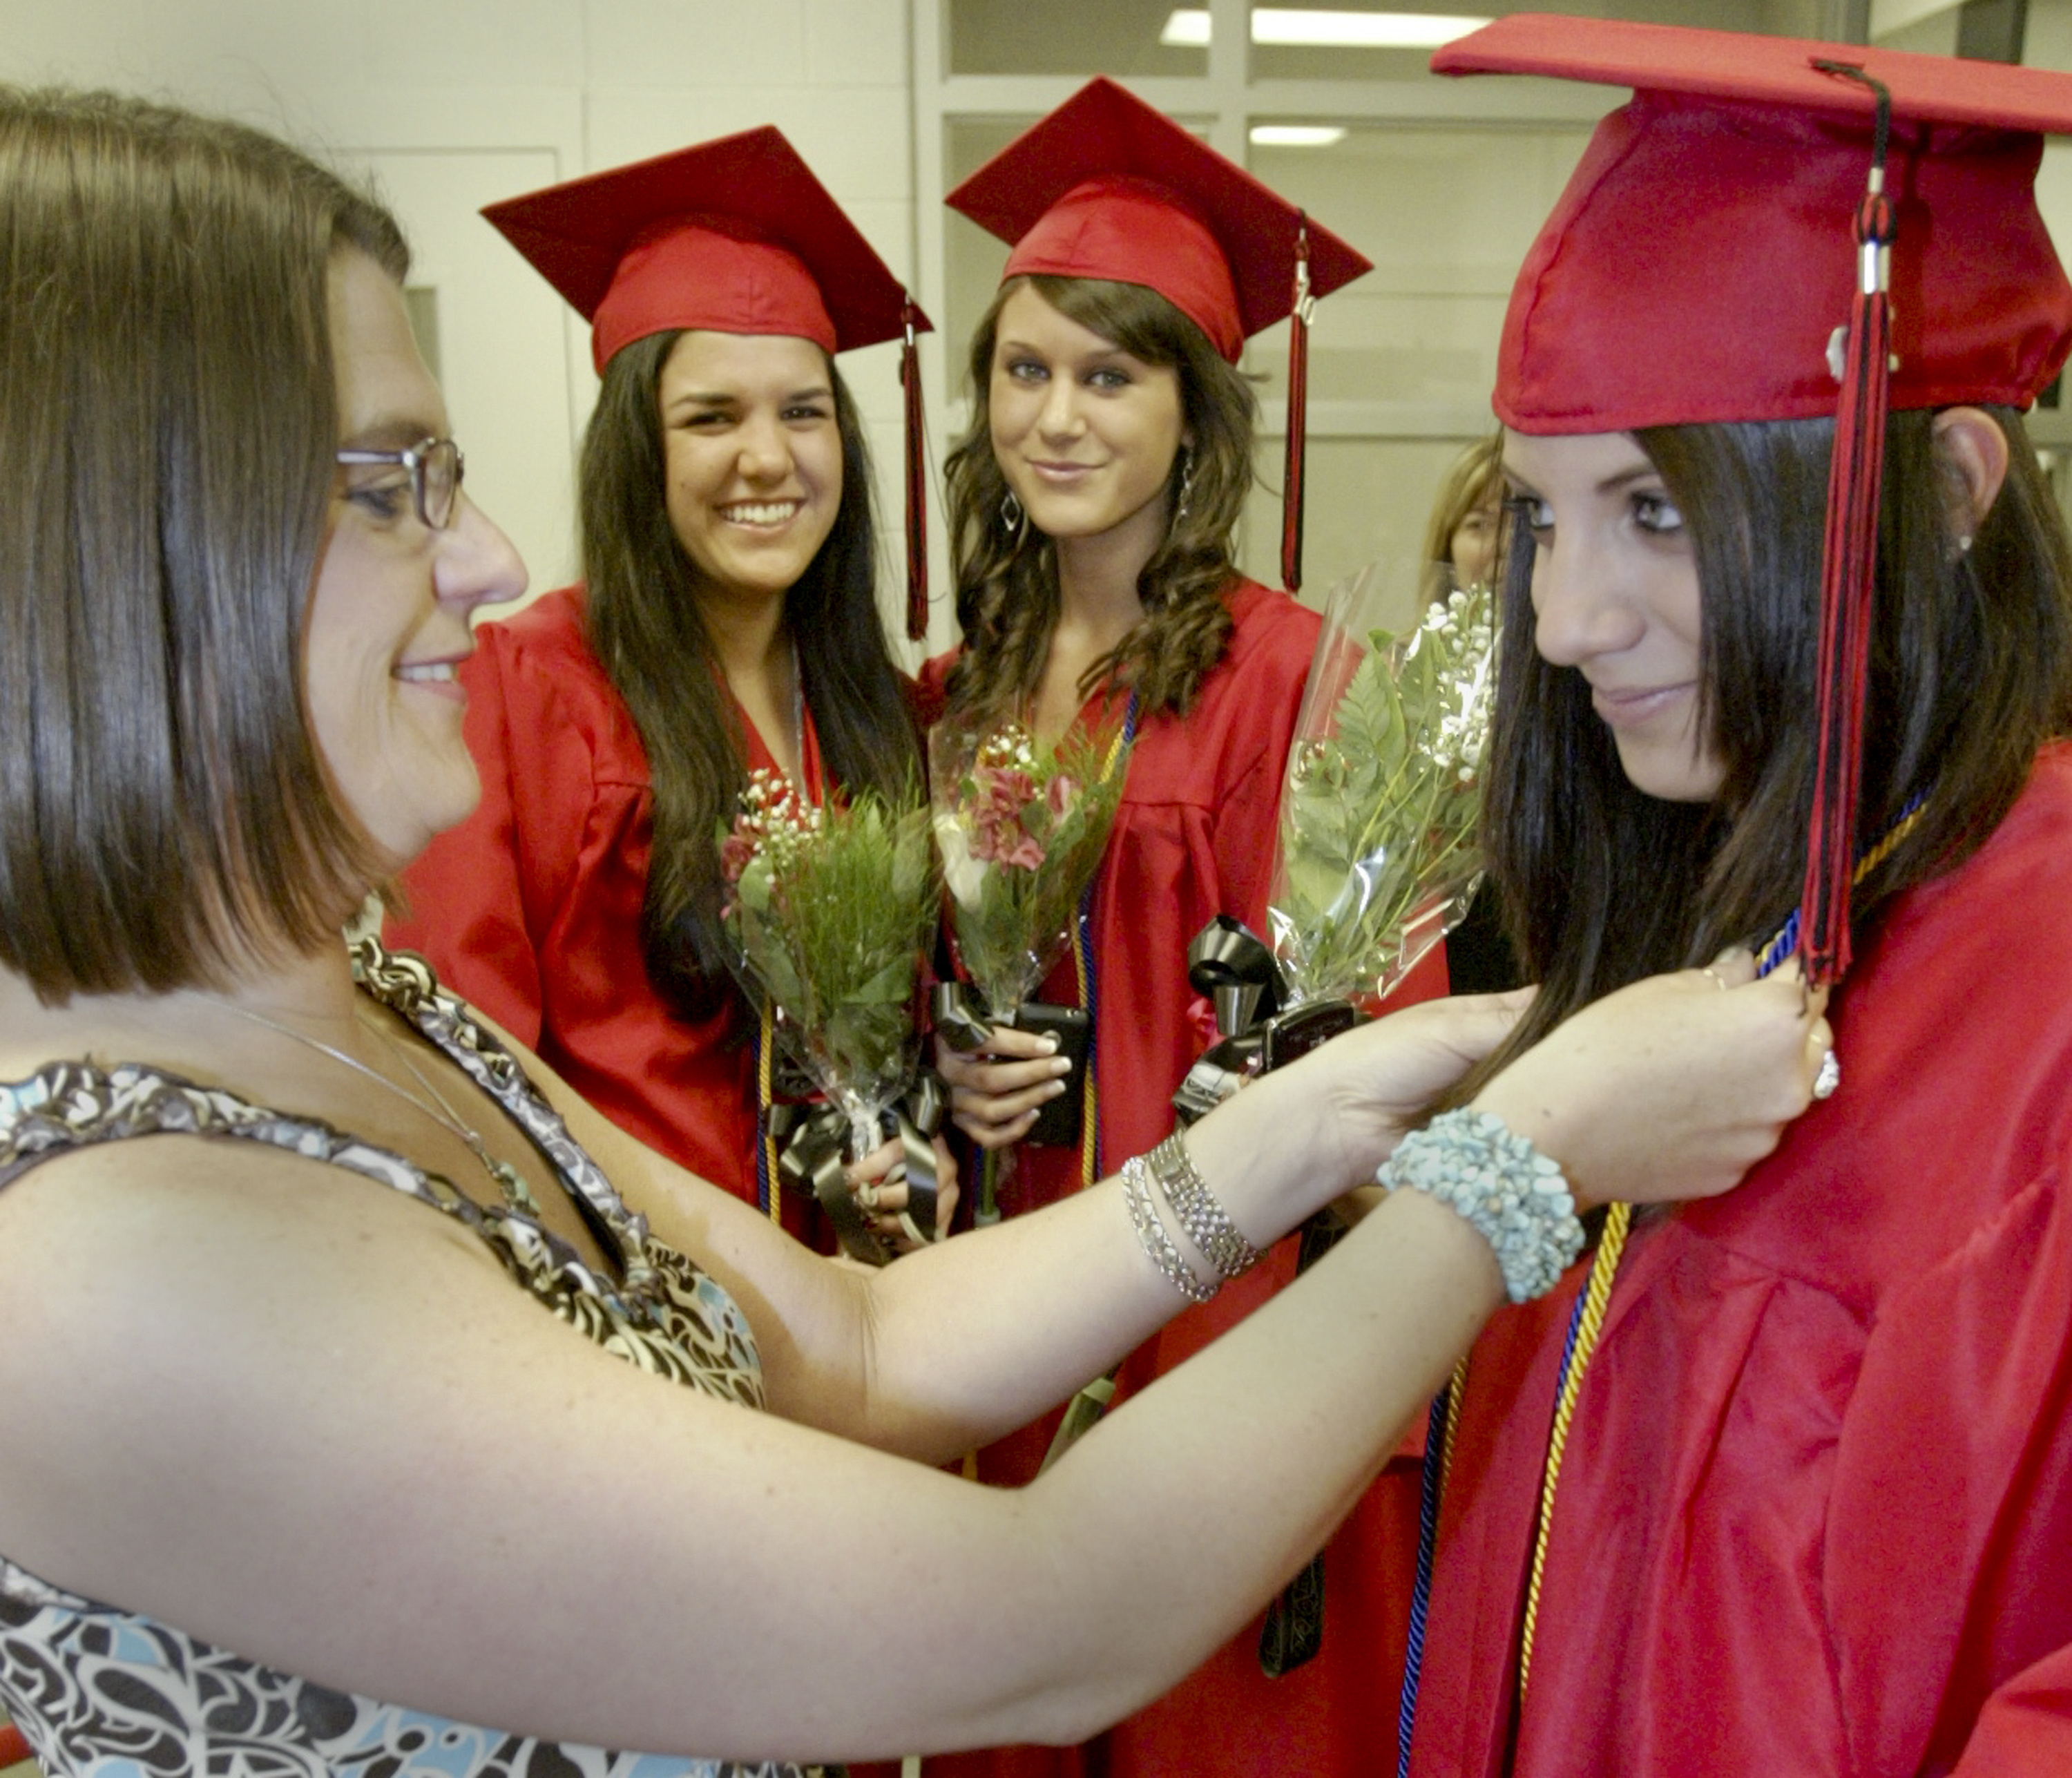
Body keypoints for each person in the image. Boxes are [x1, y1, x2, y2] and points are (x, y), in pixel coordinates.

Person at [0, 82, 1829, 1778]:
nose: (484, 553)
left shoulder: (368, 1009)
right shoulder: (122, 1256)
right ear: (126, 541)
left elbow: (864, 1344)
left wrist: (1317, 1115)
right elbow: (1040, 1614)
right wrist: (1523, 1156)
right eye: (393, 480)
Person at [1397, 19, 2072, 1775]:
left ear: (1939, 494)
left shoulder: (2046, 997)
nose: (1561, 621)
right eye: (1544, 516)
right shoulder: (1733, 900)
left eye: (1656, 511)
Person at [925, 78, 1443, 1778]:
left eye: (1108, 373)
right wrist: (946, 1066)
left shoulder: (1297, 681)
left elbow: (1384, 1039)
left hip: (1219, 1312)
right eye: (1023, 370)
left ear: (1189, 414)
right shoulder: (950, 690)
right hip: (999, 1309)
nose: (1055, 418)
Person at [385, 131, 937, 1254]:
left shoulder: (879, 705)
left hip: (865, 1307)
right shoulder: (524, 692)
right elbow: (464, 1060)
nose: (769, 457)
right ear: (639, 447)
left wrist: (917, 1141)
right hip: (639, 1310)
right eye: (711, 417)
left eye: (802, 410)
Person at [1420, 432, 1506, 606]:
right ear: (1446, 550)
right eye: (1480, 525)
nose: (1504, 545)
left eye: (1525, 524)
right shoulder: (1421, 634)